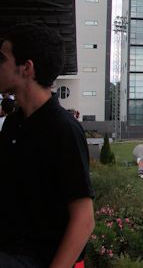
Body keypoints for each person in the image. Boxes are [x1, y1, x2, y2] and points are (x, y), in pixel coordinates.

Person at [0, 24, 95, 267]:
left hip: (36, 259)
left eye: (3, 59)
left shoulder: (63, 130)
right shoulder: (13, 124)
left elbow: (84, 220)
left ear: (26, 68)